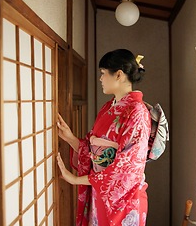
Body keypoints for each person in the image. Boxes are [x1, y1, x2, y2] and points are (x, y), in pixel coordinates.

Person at [56, 49, 151, 226]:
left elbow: (127, 169)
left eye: (103, 73)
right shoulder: (108, 107)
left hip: (124, 199)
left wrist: (76, 179)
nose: (100, 79)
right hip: (100, 190)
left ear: (119, 75)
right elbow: (92, 150)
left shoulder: (137, 112)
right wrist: (70, 138)